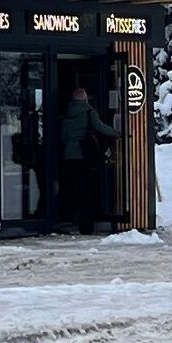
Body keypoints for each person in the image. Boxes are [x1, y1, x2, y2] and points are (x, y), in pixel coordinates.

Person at [59, 84, 117, 234]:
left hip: (69, 157)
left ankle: (70, 218)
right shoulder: (89, 112)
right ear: (85, 99)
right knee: (87, 192)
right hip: (85, 157)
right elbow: (100, 127)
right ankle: (86, 225)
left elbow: (63, 137)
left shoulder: (67, 114)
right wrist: (118, 133)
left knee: (72, 190)